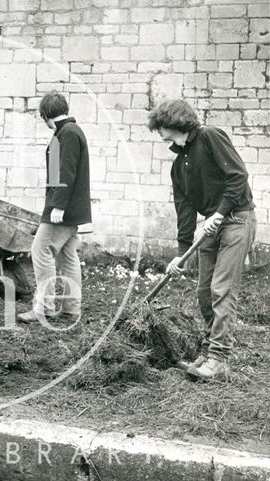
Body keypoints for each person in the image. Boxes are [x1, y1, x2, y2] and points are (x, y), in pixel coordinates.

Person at [147, 99, 256, 381]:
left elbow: (238, 176)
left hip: (236, 219)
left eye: (160, 124)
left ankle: (219, 359)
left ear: (174, 122)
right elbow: (184, 209)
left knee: (222, 288)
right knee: (204, 291)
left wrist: (219, 213)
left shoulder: (210, 137)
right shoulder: (178, 165)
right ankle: (208, 351)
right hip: (212, 225)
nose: (157, 130)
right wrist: (181, 252)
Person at [17, 91, 91, 323]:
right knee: (68, 256)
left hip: (63, 210)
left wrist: (57, 207)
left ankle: (45, 308)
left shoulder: (66, 134)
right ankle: (71, 308)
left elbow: (65, 172)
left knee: (40, 250)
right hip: (72, 209)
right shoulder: (70, 131)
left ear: (45, 115)